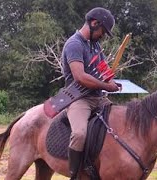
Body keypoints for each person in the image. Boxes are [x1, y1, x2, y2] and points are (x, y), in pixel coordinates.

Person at [61, 7, 120, 179]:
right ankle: (75, 174)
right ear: (94, 23)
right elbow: (80, 77)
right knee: (79, 134)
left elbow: (104, 70)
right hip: (79, 98)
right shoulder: (74, 44)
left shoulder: (95, 45)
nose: (103, 35)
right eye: (103, 31)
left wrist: (111, 82)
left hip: (99, 98)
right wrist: (106, 85)